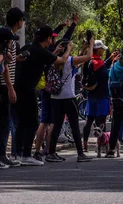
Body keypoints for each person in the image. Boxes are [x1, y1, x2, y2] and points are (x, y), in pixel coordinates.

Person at [13, 26, 72, 166]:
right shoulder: (41, 52)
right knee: (32, 122)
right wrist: (69, 49)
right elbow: (62, 61)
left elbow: (45, 57)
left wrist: (55, 52)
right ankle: (27, 155)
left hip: (18, 88)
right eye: (51, 37)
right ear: (48, 38)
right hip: (29, 90)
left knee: (21, 122)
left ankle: (18, 154)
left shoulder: (29, 47)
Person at [45, 37, 94, 163]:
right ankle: (80, 153)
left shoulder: (52, 59)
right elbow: (88, 57)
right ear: (68, 49)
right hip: (68, 97)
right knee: (74, 126)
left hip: (55, 98)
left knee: (56, 125)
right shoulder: (70, 60)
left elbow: (79, 60)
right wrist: (91, 44)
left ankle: (51, 153)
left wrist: (83, 48)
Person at [82, 40, 115, 153]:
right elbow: (104, 74)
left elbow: (100, 69)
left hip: (91, 95)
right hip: (101, 95)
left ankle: (85, 144)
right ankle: (102, 143)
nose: (103, 50)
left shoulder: (89, 61)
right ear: (98, 49)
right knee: (101, 122)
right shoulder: (98, 63)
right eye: (102, 49)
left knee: (89, 120)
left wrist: (109, 60)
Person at [0, 25, 19, 168]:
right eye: (9, 41)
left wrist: (10, 88)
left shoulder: (2, 54)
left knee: (5, 122)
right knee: (4, 123)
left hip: (3, 89)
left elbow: (5, 69)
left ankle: (2, 155)